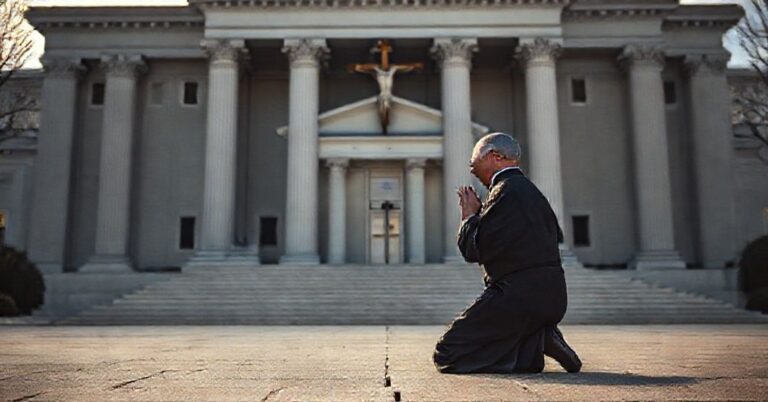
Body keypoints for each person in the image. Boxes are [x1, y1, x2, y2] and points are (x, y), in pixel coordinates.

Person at [432, 132, 582, 374]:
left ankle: (540, 338)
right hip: (552, 296)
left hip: (518, 296)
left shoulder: (505, 192)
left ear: (495, 157)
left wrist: (469, 216)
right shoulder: (530, 193)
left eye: (474, 163)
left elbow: (473, 250)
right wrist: (483, 216)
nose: (472, 170)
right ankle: (534, 341)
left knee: (447, 353)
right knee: (513, 351)